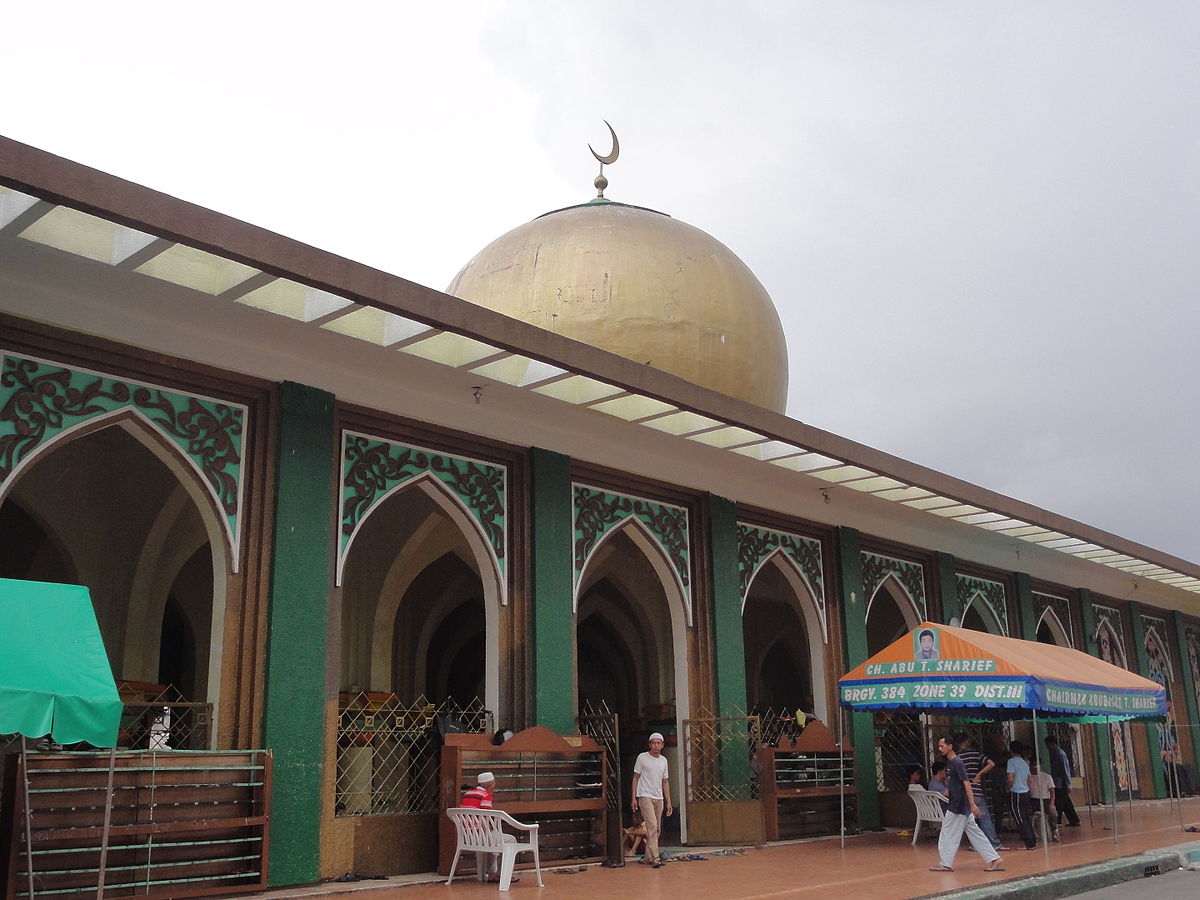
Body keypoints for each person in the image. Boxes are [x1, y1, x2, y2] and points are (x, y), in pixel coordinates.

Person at [929, 734, 1004, 873]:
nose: (939, 748)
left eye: (942, 745)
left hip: (958, 805)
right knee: (975, 834)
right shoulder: (951, 763)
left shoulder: (957, 763)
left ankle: (945, 863)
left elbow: (966, 783)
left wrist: (972, 803)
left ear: (950, 747)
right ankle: (994, 858)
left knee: (947, 832)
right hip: (960, 804)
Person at [953, 732, 1007, 852]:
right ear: (967, 741)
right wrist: (979, 774)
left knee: (971, 821)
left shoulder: (956, 757)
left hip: (963, 793)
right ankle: (994, 843)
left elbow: (952, 776)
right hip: (976, 791)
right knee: (984, 818)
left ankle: (974, 844)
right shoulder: (975, 753)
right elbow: (991, 764)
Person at [460, 772, 516, 883]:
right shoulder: (485, 795)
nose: (494, 787)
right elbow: (488, 817)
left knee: (494, 838)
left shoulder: (467, 794)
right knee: (510, 839)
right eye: (494, 784)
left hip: (468, 838)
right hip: (481, 836)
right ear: (489, 785)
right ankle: (500, 875)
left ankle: (487, 874)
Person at [631, 732, 672, 868]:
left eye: (658, 743)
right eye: (653, 743)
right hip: (645, 795)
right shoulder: (642, 758)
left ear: (662, 745)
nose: (656, 745)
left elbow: (665, 781)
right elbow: (636, 777)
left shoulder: (663, 761)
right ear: (649, 745)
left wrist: (668, 801)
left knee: (657, 828)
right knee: (652, 825)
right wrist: (634, 797)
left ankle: (647, 857)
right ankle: (655, 857)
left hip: (659, 797)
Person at [1043, 734, 1081, 827]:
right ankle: (1074, 820)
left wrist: (1068, 784)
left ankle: (1058, 821)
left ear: (1052, 744)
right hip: (1057, 781)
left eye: (1048, 745)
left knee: (1058, 802)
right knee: (1066, 802)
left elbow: (1065, 769)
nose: (1047, 748)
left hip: (1061, 782)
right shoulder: (1054, 753)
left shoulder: (1060, 754)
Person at [1006, 741, 1037, 850]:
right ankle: (1032, 839)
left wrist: (1008, 788)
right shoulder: (1024, 762)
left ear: (1011, 750)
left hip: (1017, 793)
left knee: (1019, 818)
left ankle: (1028, 842)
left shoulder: (1011, 762)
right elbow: (1029, 779)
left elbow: (1010, 779)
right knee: (1025, 817)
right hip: (1026, 792)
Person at [1028, 760, 1059, 841]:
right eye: (1033, 765)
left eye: (1037, 765)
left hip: (1046, 800)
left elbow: (1052, 792)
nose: (1035, 767)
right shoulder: (1029, 777)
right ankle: (1035, 834)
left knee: (1053, 814)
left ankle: (1054, 831)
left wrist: (1052, 803)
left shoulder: (1047, 776)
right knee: (1030, 816)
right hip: (1034, 800)